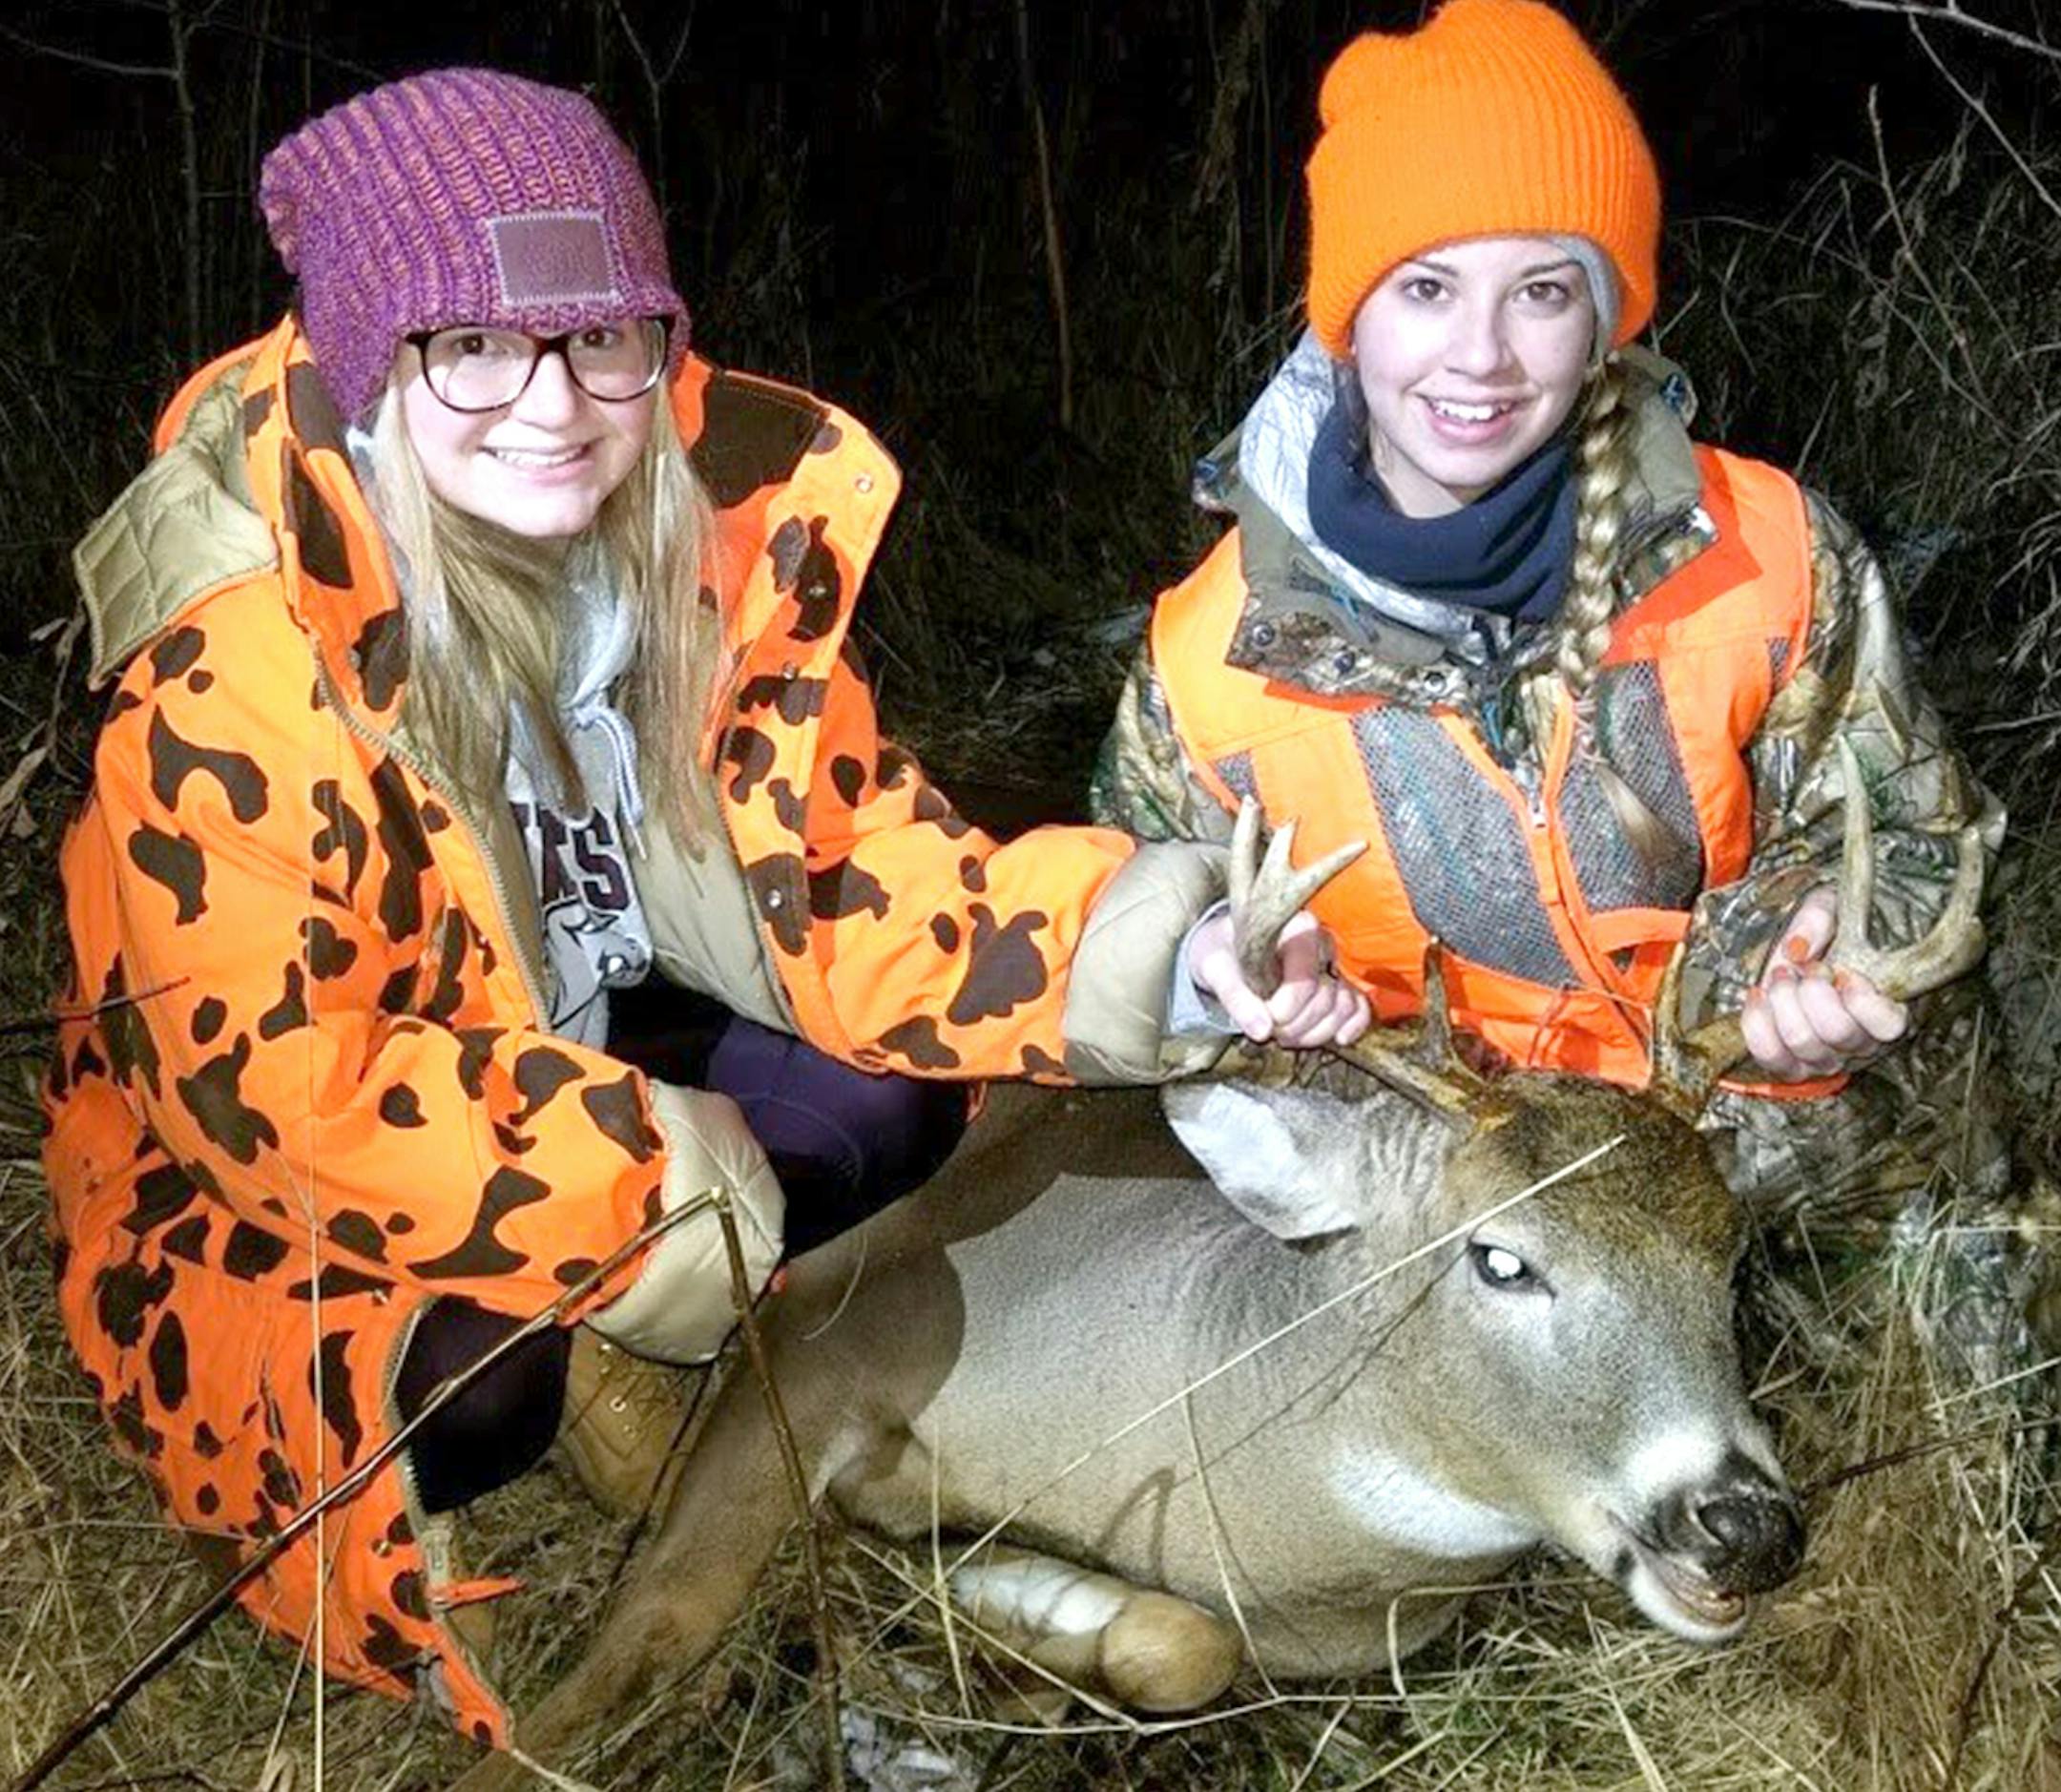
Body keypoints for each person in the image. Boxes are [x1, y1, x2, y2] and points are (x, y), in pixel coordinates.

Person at [43, 70, 1364, 1747]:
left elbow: (852, 869)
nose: (555, 404)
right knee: (472, 1382)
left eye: (603, 336)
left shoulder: (692, 537)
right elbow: (273, 1088)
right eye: (472, 344)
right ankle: (624, 1374)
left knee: (896, 1093)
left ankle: (732, 1379)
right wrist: (634, 1182)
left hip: (577, 1028)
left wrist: (1160, 948)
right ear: (375, 359)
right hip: (266, 1192)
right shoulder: (236, 664)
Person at [1093, 0, 2005, 1203]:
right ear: (1347, 316)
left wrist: (1823, 955)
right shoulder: (1209, 667)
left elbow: (1916, 837)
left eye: (1540, 292)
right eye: (1425, 288)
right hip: (1442, 1177)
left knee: (1963, 1174)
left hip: (1745, 1127)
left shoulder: (1767, 552)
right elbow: (1126, 929)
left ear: (1604, 322)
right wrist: (1222, 971)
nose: (1481, 356)